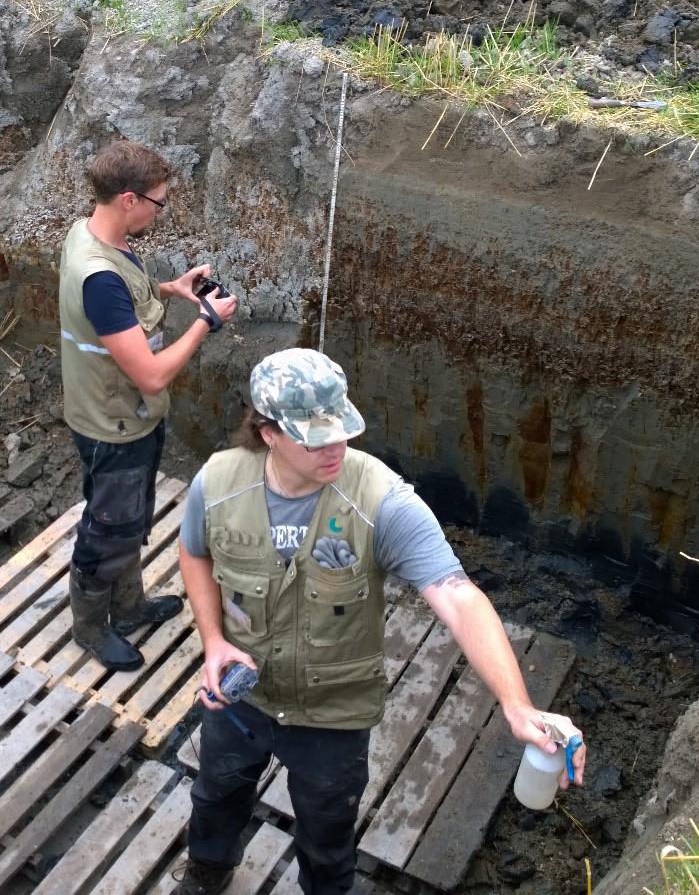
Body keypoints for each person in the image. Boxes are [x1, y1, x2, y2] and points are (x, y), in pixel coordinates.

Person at [174, 348, 586, 895]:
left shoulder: (383, 502)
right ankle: (208, 873)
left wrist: (515, 702)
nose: (336, 448)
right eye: (315, 438)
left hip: (332, 713)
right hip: (241, 700)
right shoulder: (218, 482)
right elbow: (193, 552)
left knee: (327, 831)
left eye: (342, 429)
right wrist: (214, 642)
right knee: (215, 795)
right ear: (268, 432)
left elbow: (459, 595)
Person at [59, 139, 238, 672]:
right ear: (130, 199)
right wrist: (206, 319)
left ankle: (130, 606)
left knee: (128, 518)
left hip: (125, 416)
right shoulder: (100, 279)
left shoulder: (91, 235)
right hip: (113, 423)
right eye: (159, 201)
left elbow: (121, 308)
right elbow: (153, 375)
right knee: (108, 526)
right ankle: (90, 626)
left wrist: (172, 289)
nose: (163, 211)